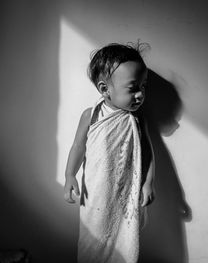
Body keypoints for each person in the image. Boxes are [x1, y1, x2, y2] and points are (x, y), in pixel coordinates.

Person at [63, 42, 155, 263]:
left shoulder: (137, 120)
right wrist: (69, 175)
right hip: (95, 192)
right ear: (105, 89)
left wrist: (148, 182)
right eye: (133, 88)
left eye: (144, 86)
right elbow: (78, 146)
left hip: (124, 194)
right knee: (92, 238)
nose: (140, 95)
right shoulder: (91, 115)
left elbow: (148, 153)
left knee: (122, 242)